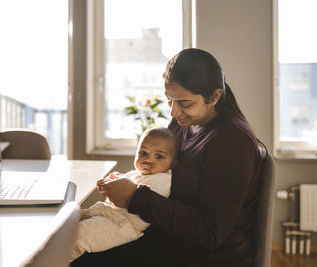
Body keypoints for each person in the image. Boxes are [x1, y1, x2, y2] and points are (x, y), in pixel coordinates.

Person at [71, 48, 263, 267]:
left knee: (77, 256)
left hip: (205, 258)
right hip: (169, 240)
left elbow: (210, 232)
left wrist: (135, 197)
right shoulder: (185, 125)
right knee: (70, 242)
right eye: (170, 101)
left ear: (215, 96)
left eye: (185, 103)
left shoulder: (231, 141)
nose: (173, 112)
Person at [71, 127, 179, 261]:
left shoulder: (164, 180)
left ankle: (54, 261)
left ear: (172, 163)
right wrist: (110, 186)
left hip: (124, 225)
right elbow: (121, 189)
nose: (148, 160)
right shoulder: (135, 174)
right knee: (72, 224)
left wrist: (122, 187)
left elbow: (136, 197)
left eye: (159, 156)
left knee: (79, 238)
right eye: (144, 153)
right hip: (110, 213)